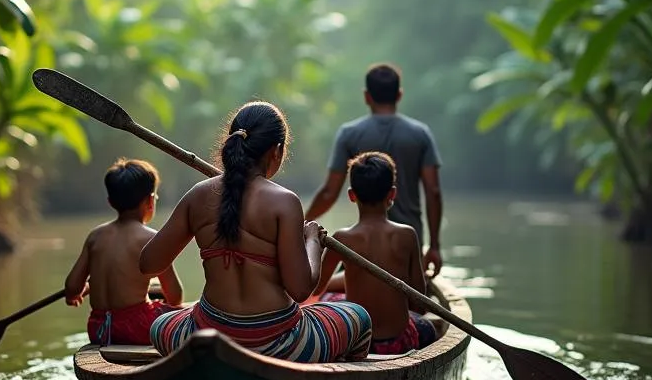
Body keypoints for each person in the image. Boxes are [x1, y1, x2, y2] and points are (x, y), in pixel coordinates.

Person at [139, 102, 373, 362]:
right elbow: (300, 290)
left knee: (160, 325)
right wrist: (312, 242)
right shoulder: (285, 201)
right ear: (277, 151)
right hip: (280, 342)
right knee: (359, 317)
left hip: (210, 332)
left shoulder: (198, 195)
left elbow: (149, 264)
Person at [305, 62, 445, 273]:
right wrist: (434, 246)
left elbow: (329, 192)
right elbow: (433, 192)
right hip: (408, 247)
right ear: (399, 95)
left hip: (363, 245)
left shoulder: (349, 133)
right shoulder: (420, 134)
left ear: (367, 96)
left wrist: (303, 225)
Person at [312, 152, 446, 355]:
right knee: (427, 327)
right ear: (392, 194)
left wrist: (313, 244)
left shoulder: (342, 238)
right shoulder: (407, 235)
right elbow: (419, 302)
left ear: (351, 195)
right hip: (400, 341)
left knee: (328, 298)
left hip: (358, 342)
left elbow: (315, 289)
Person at [64, 158, 184, 345]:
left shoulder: (95, 236)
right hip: (137, 327)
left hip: (99, 327)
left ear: (111, 202)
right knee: (185, 315)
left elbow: (72, 287)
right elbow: (175, 296)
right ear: (150, 201)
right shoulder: (152, 238)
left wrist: (76, 294)